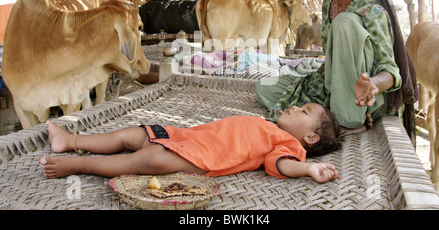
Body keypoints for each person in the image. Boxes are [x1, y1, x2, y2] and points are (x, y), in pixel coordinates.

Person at [256, 0, 418, 133]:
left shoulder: (372, 11)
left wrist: (372, 84)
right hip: (334, 87)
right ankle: (330, 112)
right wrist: (313, 77)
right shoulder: (328, 2)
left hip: (365, 97)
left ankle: (349, 121)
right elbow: (335, 56)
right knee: (266, 87)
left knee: (345, 21)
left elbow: (391, 73)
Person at [40, 103, 341, 183]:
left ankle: (79, 164)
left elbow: (280, 165)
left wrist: (309, 169)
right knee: (132, 134)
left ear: (311, 137)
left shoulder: (291, 146)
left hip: (203, 157)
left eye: (304, 112)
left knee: (151, 160)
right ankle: (70, 140)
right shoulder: (268, 123)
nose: (295, 108)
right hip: (187, 136)